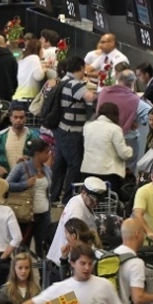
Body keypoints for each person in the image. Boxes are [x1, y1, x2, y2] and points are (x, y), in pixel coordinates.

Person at [50, 56, 98, 205]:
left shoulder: (62, 81)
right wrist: (103, 94)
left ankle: (54, 196)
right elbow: (89, 97)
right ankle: (68, 199)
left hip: (60, 128)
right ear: (81, 68)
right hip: (72, 130)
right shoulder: (74, 84)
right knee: (75, 165)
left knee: (60, 163)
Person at [6, 139, 53, 254]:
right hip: (25, 217)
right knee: (22, 249)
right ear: (37, 153)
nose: (49, 154)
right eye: (46, 152)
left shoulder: (47, 170)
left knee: (43, 248)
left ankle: (44, 271)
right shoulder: (21, 167)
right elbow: (6, 185)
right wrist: (25, 184)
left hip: (44, 215)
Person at [46, 177, 107, 266]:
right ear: (83, 193)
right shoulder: (77, 213)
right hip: (68, 261)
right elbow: (74, 242)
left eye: (98, 201)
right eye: (93, 200)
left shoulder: (78, 199)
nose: (95, 204)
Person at [81, 102, 134, 188]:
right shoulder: (115, 129)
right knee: (111, 199)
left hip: (87, 171)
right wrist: (130, 149)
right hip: (108, 174)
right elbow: (123, 154)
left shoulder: (87, 126)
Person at [0, 106, 39, 178]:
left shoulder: (33, 137)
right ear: (10, 119)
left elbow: (39, 158)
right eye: (15, 117)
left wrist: (29, 160)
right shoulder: (0, 137)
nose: (18, 120)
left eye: (21, 117)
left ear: (25, 119)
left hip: (27, 179)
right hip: (5, 179)